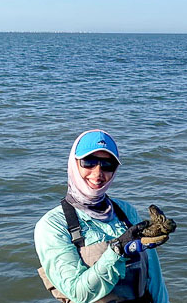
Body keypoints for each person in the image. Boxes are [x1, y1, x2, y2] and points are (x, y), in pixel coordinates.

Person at [34, 130, 176, 303]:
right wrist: (118, 250)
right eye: (89, 162)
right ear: (74, 164)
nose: (98, 172)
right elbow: (78, 293)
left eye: (108, 164)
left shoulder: (126, 211)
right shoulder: (52, 225)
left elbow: (154, 278)